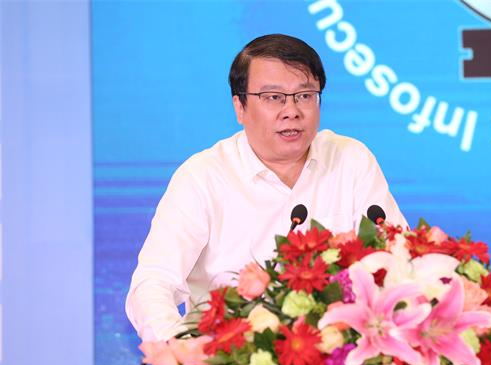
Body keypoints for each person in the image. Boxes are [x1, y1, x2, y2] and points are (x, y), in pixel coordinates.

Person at [126, 34, 409, 341]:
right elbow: (154, 281)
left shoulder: (350, 159)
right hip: (231, 358)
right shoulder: (202, 177)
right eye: (274, 97)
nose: (292, 111)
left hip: (339, 354)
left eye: (305, 95)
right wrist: (177, 348)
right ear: (240, 107)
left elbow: (399, 259)